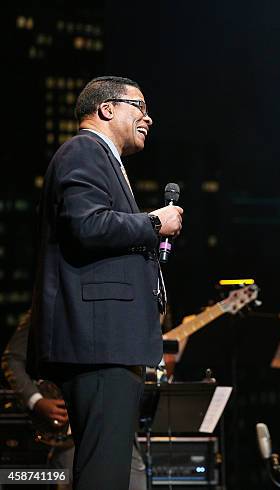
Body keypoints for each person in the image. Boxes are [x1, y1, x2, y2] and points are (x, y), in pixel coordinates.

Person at [27, 76, 183, 490]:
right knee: (103, 474)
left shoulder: (103, 159)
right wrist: (154, 222)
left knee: (106, 470)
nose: (148, 117)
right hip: (99, 343)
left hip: (106, 342)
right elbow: (86, 224)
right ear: (107, 109)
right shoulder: (84, 150)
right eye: (140, 106)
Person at [2, 311, 146, 490]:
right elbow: (12, 358)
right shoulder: (50, 304)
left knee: (136, 482)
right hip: (71, 429)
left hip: (115, 422)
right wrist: (37, 400)